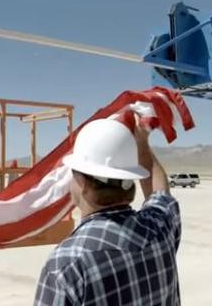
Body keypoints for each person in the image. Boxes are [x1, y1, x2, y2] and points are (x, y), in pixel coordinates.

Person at [34, 118, 181, 306]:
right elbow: (160, 194)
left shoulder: (67, 264)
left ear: (83, 184)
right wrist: (142, 140)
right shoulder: (159, 228)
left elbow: (159, 193)